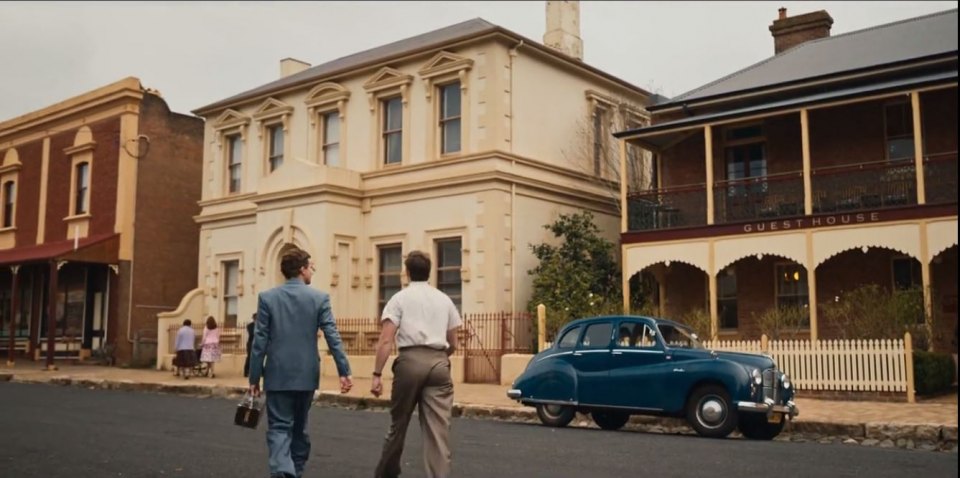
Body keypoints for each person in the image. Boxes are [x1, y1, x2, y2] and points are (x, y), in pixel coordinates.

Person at [248, 248, 353, 478]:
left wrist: (254, 378)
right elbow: (332, 335)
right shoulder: (319, 298)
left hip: (277, 374)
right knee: (299, 428)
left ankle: (284, 472)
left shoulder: (267, 298)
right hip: (307, 374)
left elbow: (259, 342)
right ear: (302, 269)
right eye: (311, 267)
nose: (312, 271)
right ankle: (295, 471)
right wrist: (344, 371)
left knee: (278, 428)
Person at [371, 250, 462, 478]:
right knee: (438, 431)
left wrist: (377, 373)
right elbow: (454, 343)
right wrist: (441, 358)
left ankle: (387, 472)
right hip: (439, 362)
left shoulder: (399, 299)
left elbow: (386, 339)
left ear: (407, 272)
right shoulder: (444, 299)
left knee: (398, 424)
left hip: (409, 361)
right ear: (429, 271)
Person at [244, 314, 256, 378]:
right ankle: (246, 371)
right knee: (249, 357)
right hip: (250, 342)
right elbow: (250, 334)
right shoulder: (250, 326)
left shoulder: (261, 325)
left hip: (258, 342)